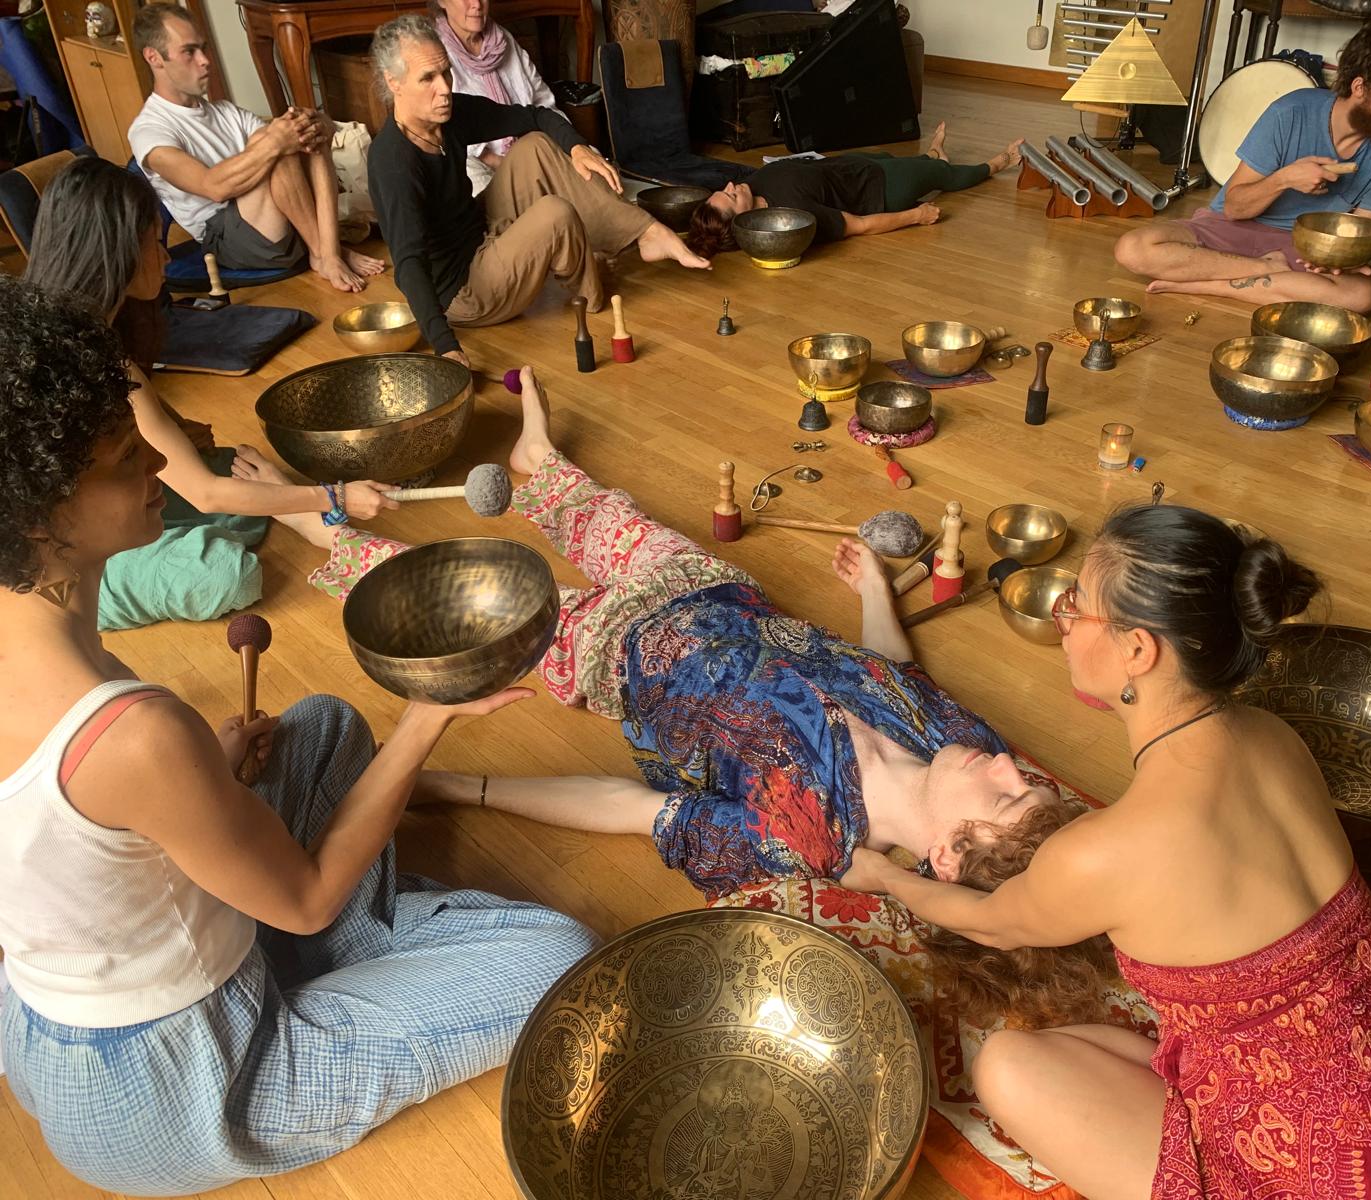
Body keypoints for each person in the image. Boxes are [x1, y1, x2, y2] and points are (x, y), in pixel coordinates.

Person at [236, 372, 1112, 1022]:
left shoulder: (802, 834)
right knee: (593, 506)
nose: (1009, 765)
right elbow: (891, 670)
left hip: (609, 652)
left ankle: (311, 520)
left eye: (1006, 796)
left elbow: (630, 807)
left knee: (442, 591)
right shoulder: (957, 735)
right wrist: (876, 592)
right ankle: (538, 461)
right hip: (710, 588)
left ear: (948, 858)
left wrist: (457, 786)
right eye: (1022, 779)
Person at [0, 277, 598, 1195]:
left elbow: (51, 839)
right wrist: (429, 714)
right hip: (183, 1082)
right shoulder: (134, 736)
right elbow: (310, 900)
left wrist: (201, 783)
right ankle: (355, 959)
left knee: (319, 726)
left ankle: (337, 937)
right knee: (557, 957)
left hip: (55, 1025)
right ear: (39, 513)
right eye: (126, 457)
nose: (159, 464)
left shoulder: (41, 638)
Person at [840, 504, 1371, 1200]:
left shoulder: (1104, 853)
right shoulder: (1274, 735)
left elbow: (987, 923)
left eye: (1076, 603)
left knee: (1005, 1066)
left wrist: (885, 876)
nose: (1063, 619)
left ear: (1139, 651)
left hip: (1356, 1182)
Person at [22, 157, 399, 631]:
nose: (165, 257)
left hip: (96, 503)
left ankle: (284, 511)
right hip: (58, 567)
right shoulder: (84, 360)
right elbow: (203, 493)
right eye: (154, 242)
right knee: (224, 572)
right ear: (118, 252)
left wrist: (172, 430)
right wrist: (333, 496)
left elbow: (148, 429)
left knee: (231, 470)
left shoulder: (91, 334)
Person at [368, 14, 708, 368]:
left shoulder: (449, 114)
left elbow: (536, 116)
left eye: (446, 72)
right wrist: (446, 347)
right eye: (427, 78)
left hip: (481, 234)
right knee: (554, 213)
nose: (444, 88)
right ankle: (589, 289)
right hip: (463, 291)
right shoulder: (393, 161)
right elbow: (408, 265)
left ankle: (646, 233)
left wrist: (577, 148)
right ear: (394, 82)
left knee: (534, 146)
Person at [1114, 19, 1371, 311]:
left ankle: (1209, 284)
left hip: (1304, 248)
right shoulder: (1291, 111)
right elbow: (1234, 208)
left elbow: (1360, 234)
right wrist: (1284, 178)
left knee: (1362, 296)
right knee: (1134, 248)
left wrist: (1340, 260)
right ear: (1360, 87)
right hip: (1232, 229)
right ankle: (1265, 273)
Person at [127, 3, 384, 293]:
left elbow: (287, 138)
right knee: (278, 147)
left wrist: (317, 124)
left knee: (303, 133)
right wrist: (276, 141)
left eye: (203, 48)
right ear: (154, 58)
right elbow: (213, 187)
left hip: (267, 214)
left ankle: (329, 251)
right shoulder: (149, 130)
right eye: (189, 51)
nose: (205, 60)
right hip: (224, 236)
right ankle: (325, 254)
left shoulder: (225, 112)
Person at [685, 122, 1023, 257]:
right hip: (881, 189)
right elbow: (858, 225)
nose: (731, 185)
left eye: (725, 188)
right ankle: (997, 163)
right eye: (731, 196)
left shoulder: (754, 185)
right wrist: (916, 216)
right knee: (941, 175)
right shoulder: (796, 218)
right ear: (742, 222)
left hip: (854, 166)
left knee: (899, 159)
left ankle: (933, 154)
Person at [432, 0, 566, 195]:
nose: (477, 4)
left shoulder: (503, 39)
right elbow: (442, 132)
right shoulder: (435, 52)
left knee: (587, 165)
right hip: (476, 163)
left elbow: (543, 102)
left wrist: (568, 146)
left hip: (528, 150)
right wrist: (505, 164)